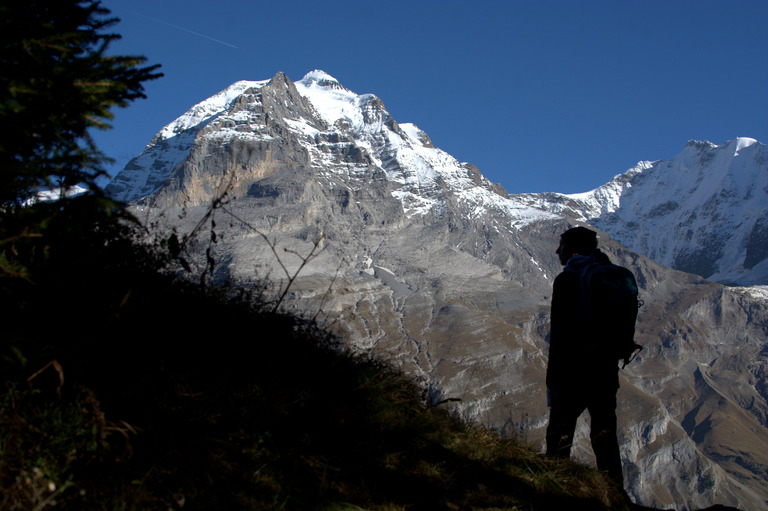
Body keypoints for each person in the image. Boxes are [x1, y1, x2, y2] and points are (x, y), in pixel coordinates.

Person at [545, 226, 624, 487]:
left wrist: (553, 382)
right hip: (604, 372)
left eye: (562, 246)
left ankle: (554, 488)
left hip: (572, 374)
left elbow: (560, 335)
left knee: (559, 434)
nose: (558, 251)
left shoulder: (567, 280)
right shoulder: (609, 276)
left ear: (574, 250)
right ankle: (615, 494)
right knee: (605, 436)